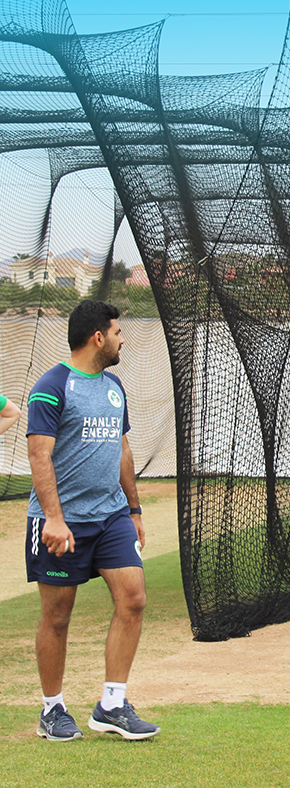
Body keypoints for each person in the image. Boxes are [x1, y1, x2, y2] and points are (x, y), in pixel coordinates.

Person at [26, 300, 160, 740]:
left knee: (134, 598)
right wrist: (54, 518)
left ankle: (112, 705)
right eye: (118, 333)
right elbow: (38, 455)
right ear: (97, 337)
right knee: (58, 616)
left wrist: (134, 510)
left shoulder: (113, 386)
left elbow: (121, 450)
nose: (122, 339)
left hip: (111, 517)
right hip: (63, 523)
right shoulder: (52, 386)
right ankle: (52, 709)